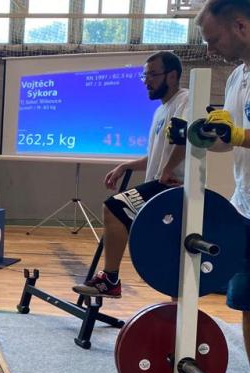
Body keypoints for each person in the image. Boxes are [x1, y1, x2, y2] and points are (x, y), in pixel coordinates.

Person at [72, 51, 189, 298]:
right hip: (161, 183)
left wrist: (168, 170)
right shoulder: (161, 110)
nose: (147, 81)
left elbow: (185, 139)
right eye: (144, 76)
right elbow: (157, 157)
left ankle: (110, 280)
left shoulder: (185, 100)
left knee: (114, 208)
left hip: (174, 187)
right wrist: (126, 166)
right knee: (170, 253)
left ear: (172, 76)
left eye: (153, 75)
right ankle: (177, 310)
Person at [195, 0, 250, 373]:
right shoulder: (236, 77)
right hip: (244, 206)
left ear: (241, 26)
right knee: (247, 303)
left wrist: (240, 135)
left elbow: (241, 135)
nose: (211, 50)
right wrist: (201, 134)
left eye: (214, 40)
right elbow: (226, 140)